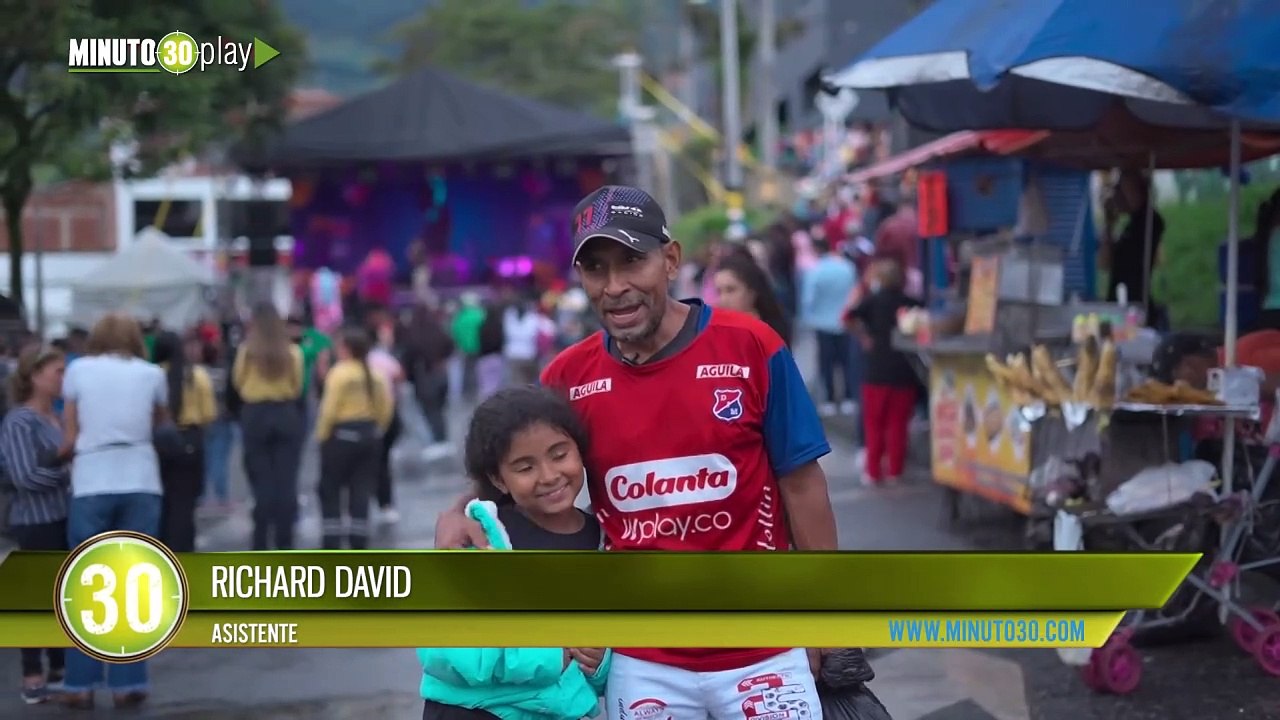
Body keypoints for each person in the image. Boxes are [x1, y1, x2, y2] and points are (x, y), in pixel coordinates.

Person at [435, 185, 837, 719]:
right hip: (642, 660)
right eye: (596, 269)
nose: (616, 286)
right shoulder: (567, 377)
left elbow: (803, 484)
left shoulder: (752, 346)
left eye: (632, 262)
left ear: (670, 260)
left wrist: (830, 617)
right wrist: (459, 510)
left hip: (764, 646)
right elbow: (517, 464)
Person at [418, 385, 608, 720]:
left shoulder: (600, 540)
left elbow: (606, 640)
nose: (549, 476)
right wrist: (550, 654)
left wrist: (600, 661)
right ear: (498, 478)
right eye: (525, 467)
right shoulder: (479, 542)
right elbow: (443, 648)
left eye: (560, 454)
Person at [58, 314, 168, 709]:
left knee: (87, 582)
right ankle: (128, 681)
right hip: (140, 478)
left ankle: (79, 683)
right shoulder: (153, 374)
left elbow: (70, 434)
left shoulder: (77, 371)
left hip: (92, 479)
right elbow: (159, 425)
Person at [1, 346, 69, 704]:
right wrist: (66, 471)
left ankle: (59, 665)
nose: (63, 378)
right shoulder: (19, 422)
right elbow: (25, 476)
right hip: (34, 519)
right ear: (35, 376)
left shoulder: (57, 417)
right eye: (57, 371)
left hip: (62, 515)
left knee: (60, 595)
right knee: (34, 598)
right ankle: (31, 672)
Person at [314, 325, 394, 549]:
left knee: (331, 490)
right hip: (368, 436)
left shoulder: (339, 374)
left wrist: (321, 436)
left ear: (346, 348)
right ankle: (359, 541)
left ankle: (331, 541)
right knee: (361, 490)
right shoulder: (375, 374)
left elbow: (328, 409)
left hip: (340, 436)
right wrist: (378, 429)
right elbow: (385, 407)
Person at [234, 303, 305, 550]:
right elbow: (297, 387)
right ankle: (285, 543)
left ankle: (261, 542)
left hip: (255, 415)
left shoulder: (247, 351)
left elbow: (238, 382)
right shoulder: (293, 352)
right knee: (286, 482)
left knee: (261, 482)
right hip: (285, 412)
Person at [846, 260, 922, 484]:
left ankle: (873, 471)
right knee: (898, 424)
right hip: (903, 369)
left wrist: (864, 337)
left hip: (876, 369)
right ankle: (895, 470)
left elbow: (848, 317)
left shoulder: (871, 300)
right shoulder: (910, 303)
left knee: (874, 423)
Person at [152, 331, 216, 552]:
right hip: (190, 439)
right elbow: (209, 414)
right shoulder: (197, 376)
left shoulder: (154, 375)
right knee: (186, 504)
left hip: (160, 441)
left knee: (164, 502)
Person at [801, 237, 859, 416]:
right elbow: (855, 292)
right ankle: (850, 396)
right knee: (846, 361)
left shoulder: (815, 271)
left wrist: (807, 318)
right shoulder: (848, 268)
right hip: (844, 321)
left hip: (822, 322)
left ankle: (829, 400)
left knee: (826, 362)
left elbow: (808, 299)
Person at [1104, 169, 1166, 328]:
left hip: (1136, 302)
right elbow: (1104, 262)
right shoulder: (1128, 227)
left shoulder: (1150, 221)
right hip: (1117, 300)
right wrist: (1109, 224)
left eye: (1121, 188)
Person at [713, 249, 793, 346]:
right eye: (719, 292)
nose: (723, 299)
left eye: (731, 290)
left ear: (752, 292)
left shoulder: (769, 335)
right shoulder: (716, 333)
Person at [502, 295, 542, 386]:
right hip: (525, 354)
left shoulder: (510, 317)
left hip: (516, 353)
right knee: (525, 383)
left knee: (517, 383)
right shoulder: (532, 318)